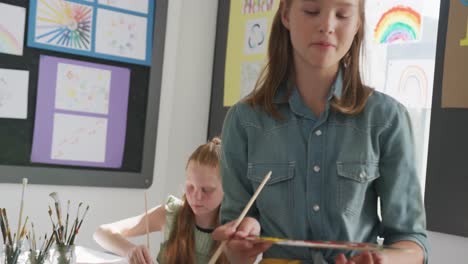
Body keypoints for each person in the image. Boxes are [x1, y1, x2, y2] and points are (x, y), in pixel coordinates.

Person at [213, 0, 428, 263]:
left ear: (357, 22)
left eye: (342, 14)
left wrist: (385, 261)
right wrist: (240, 242)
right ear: (286, 15)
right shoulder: (244, 121)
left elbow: (412, 243)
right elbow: (232, 243)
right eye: (312, 11)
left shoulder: (387, 118)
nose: (326, 25)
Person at [94, 138, 228, 264]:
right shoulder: (171, 214)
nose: (196, 196)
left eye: (207, 189)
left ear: (229, 189)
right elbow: (101, 232)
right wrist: (129, 250)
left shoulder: (238, 231)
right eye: (190, 186)